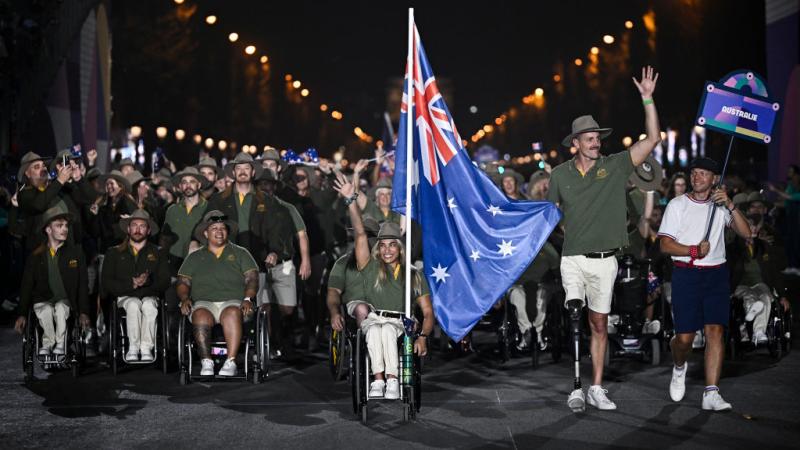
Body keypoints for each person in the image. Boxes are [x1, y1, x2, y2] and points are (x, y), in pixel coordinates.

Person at [548, 66, 661, 411]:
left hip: (605, 261)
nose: (597, 142)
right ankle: (576, 387)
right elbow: (548, 215)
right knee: (574, 312)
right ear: (576, 144)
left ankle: (596, 387)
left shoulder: (615, 166)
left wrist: (647, 97)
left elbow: (653, 138)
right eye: (591, 138)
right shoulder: (559, 175)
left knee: (599, 323)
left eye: (598, 138)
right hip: (572, 258)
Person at [658, 157, 750, 411]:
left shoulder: (721, 207)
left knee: (715, 331)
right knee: (685, 339)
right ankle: (679, 366)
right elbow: (665, 244)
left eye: (703, 174)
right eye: (694, 173)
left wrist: (730, 204)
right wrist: (692, 250)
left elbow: (747, 233)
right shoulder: (677, 205)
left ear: (714, 179)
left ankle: (711, 392)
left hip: (716, 274)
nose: (697, 178)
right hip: (686, 274)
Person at [332, 171, 434, 400]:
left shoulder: (414, 274)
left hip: (400, 321)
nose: (387, 250)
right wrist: (351, 201)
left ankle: (392, 380)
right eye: (383, 245)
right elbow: (360, 233)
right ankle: (378, 381)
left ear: (400, 248)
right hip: (374, 318)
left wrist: (423, 337)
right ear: (378, 248)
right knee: (375, 328)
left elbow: (427, 313)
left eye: (392, 245)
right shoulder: (370, 267)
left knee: (387, 329)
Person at [177, 210, 259, 377]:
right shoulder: (195, 257)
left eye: (222, 228)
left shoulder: (240, 253)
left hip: (234, 301)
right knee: (199, 314)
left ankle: (231, 361)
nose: (219, 232)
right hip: (203, 301)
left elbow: (252, 278)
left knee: (231, 313)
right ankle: (206, 361)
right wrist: (184, 298)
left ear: (227, 231)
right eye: (214, 228)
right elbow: (183, 282)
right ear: (206, 233)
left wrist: (248, 298)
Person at [14, 202, 90, 355]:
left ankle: (60, 345)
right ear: (48, 230)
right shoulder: (36, 256)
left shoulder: (75, 253)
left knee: (61, 308)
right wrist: (21, 314)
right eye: (59, 225)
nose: (65, 229)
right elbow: (27, 285)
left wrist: (84, 312)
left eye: (66, 226)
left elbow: (82, 285)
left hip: (66, 300)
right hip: (43, 300)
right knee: (46, 310)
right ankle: (47, 343)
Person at [100, 209, 170, 361]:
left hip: (149, 295)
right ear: (128, 228)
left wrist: (148, 281)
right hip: (125, 296)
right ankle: (132, 347)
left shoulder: (158, 252)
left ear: (149, 230)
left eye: (142, 226)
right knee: (133, 304)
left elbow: (165, 281)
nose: (138, 230)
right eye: (134, 225)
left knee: (149, 306)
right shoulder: (113, 253)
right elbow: (107, 281)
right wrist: (131, 283)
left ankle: (146, 348)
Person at [728, 212, 791, 344]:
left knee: (766, 296)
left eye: (755, 226)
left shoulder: (764, 246)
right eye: (750, 226)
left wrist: (782, 295)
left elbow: (775, 272)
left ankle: (759, 331)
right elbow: (728, 271)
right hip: (741, 285)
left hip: (760, 283)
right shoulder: (734, 248)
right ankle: (750, 314)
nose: (754, 229)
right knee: (748, 296)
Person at [161, 167, 209, 272]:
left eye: (192, 182)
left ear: (199, 185)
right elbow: (165, 238)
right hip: (174, 266)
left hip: (200, 265)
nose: (188, 185)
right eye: (184, 182)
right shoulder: (172, 210)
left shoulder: (209, 208)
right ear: (180, 186)